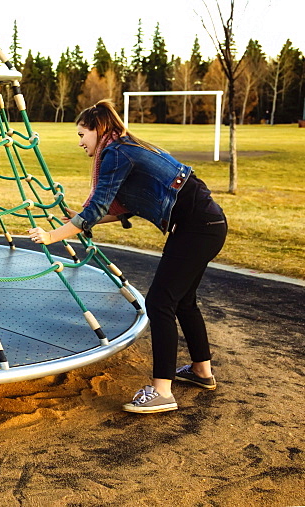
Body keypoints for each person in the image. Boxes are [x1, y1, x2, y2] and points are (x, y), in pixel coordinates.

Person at [27, 100, 227, 414]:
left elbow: (98, 208)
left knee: (160, 302)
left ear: (97, 130)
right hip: (204, 224)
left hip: (197, 228)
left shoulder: (115, 153)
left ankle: (162, 392)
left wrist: (52, 235)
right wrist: (79, 218)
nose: (80, 142)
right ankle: (202, 372)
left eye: (82, 134)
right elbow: (121, 207)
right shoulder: (125, 148)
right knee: (183, 300)